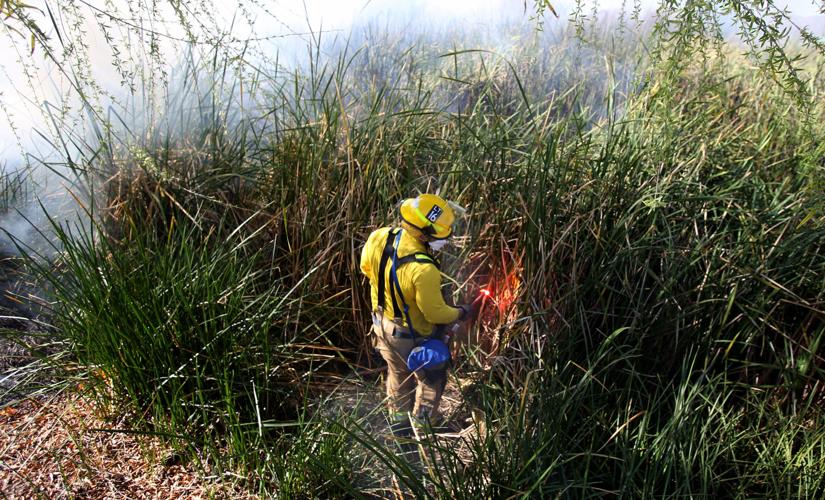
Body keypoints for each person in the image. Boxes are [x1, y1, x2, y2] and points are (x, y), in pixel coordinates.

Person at [359, 194, 475, 435]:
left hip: (383, 326)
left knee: (398, 375)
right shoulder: (424, 269)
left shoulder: (379, 236)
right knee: (431, 379)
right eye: (442, 234)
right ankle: (423, 426)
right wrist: (461, 312)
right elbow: (435, 313)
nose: (446, 238)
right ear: (424, 234)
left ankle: (398, 424)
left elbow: (366, 269)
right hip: (411, 336)